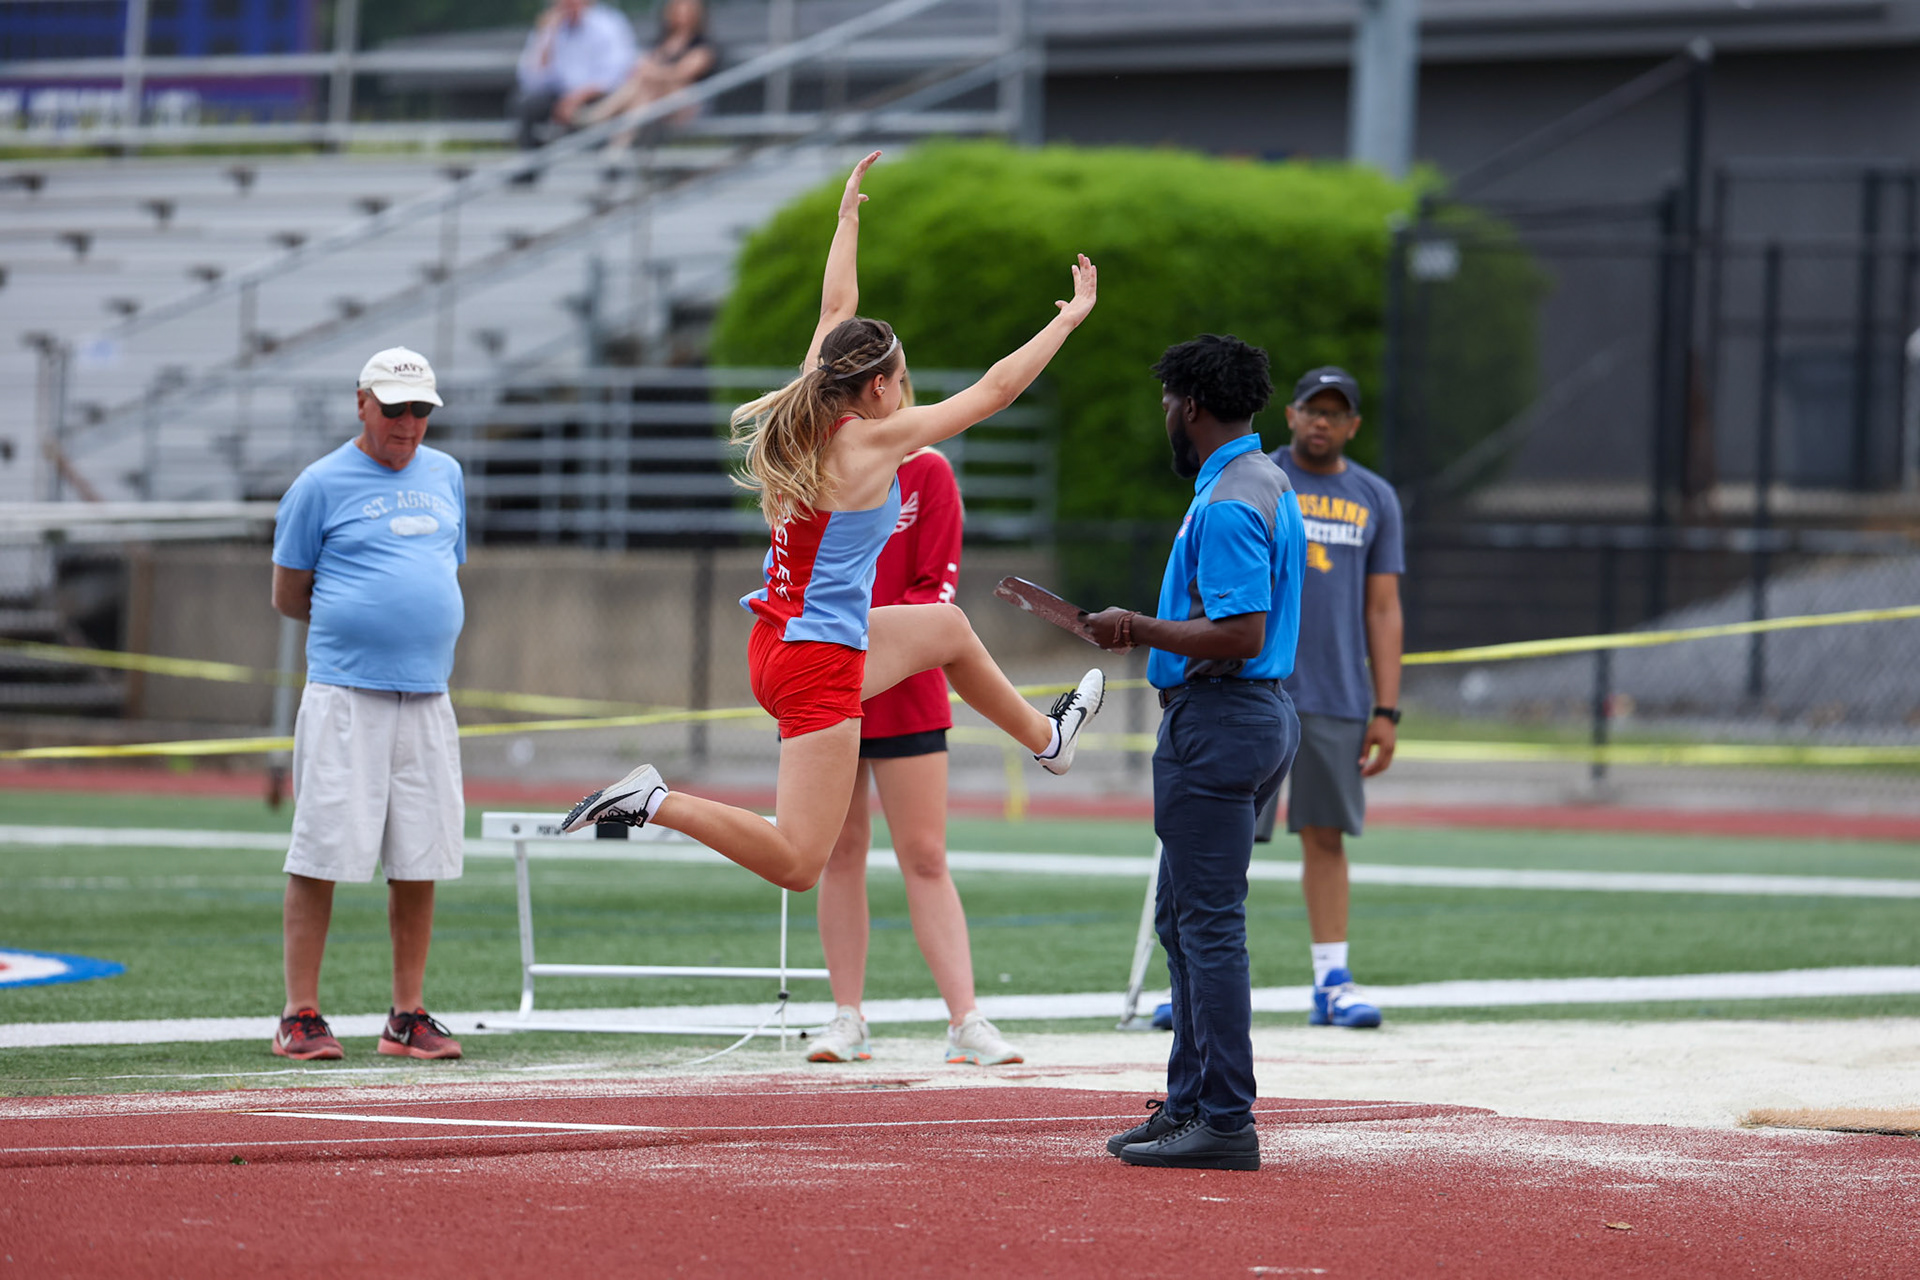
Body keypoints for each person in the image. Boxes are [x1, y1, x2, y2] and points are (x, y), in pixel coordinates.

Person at [558, 152, 1107, 900]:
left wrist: (847, 218)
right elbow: (995, 391)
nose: (907, 391)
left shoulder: (810, 399)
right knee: (799, 864)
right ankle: (656, 801)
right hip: (816, 662)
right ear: (876, 389)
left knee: (944, 627)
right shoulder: (870, 441)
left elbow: (834, 307)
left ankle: (1050, 742)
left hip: (780, 641)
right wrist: (1069, 321)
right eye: (902, 380)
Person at [1084, 334, 1305, 1171]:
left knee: (1209, 927)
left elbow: (1241, 632)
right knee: (1185, 919)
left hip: (1219, 719)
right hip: (1252, 715)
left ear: (1191, 405)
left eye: (1168, 404)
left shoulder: (1224, 501)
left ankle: (1224, 1118)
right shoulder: (1265, 480)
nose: (1166, 418)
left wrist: (1134, 628)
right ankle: (1189, 1105)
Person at [268, 347, 468, 1062]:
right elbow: (290, 594)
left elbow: (444, 568)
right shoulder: (318, 485)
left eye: (421, 410)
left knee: (421, 854)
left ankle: (406, 1014)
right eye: (394, 408)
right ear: (362, 404)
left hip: (428, 695)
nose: (408, 424)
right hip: (347, 693)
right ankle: (299, 1013)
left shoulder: (446, 475)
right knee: (321, 848)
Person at [807, 444, 1023, 1068]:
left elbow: (936, 593)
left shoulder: (928, 469)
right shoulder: (816, 464)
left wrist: (862, 638)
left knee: (925, 854)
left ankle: (966, 1019)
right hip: (823, 679)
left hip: (906, 682)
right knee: (838, 848)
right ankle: (847, 1015)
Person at [1266, 366, 1404, 1029]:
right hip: (1254, 687)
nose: (1321, 421)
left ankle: (1332, 981)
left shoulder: (1375, 496)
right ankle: (1197, 981)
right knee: (1224, 836)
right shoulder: (1257, 478)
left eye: (1335, 412)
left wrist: (1387, 708)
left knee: (1325, 836)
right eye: (1310, 409)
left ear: (1352, 425)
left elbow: (1383, 609)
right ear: (1290, 415)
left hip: (1336, 694)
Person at [576, 0, 718, 145]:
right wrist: (647, 70)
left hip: (688, 104)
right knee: (643, 94)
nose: (680, 15)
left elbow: (680, 74)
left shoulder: (703, 45)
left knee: (645, 83)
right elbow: (645, 65)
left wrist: (651, 72)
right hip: (656, 99)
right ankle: (617, 149)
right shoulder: (664, 42)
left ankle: (599, 116)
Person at [512, 0, 638, 150]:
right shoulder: (549, 29)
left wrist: (577, 98)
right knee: (525, 102)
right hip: (559, 97)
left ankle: (607, 162)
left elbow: (615, 74)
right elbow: (531, 79)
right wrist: (547, 38)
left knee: (610, 105)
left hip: (597, 96)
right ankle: (530, 166)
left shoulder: (608, 24)